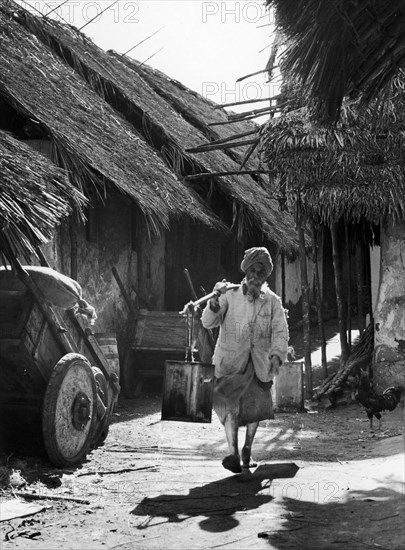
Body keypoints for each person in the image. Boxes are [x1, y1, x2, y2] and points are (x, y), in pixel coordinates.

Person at [201, 247, 289, 473]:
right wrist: (213, 302)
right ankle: (233, 453)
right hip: (230, 362)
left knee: (254, 408)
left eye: (261, 271)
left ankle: (247, 448)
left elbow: (280, 331)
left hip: (259, 363)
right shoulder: (228, 295)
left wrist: (277, 355)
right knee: (229, 408)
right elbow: (207, 322)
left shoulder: (272, 301)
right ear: (245, 271)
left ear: (265, 275)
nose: (256, 275)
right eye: (252, 270)